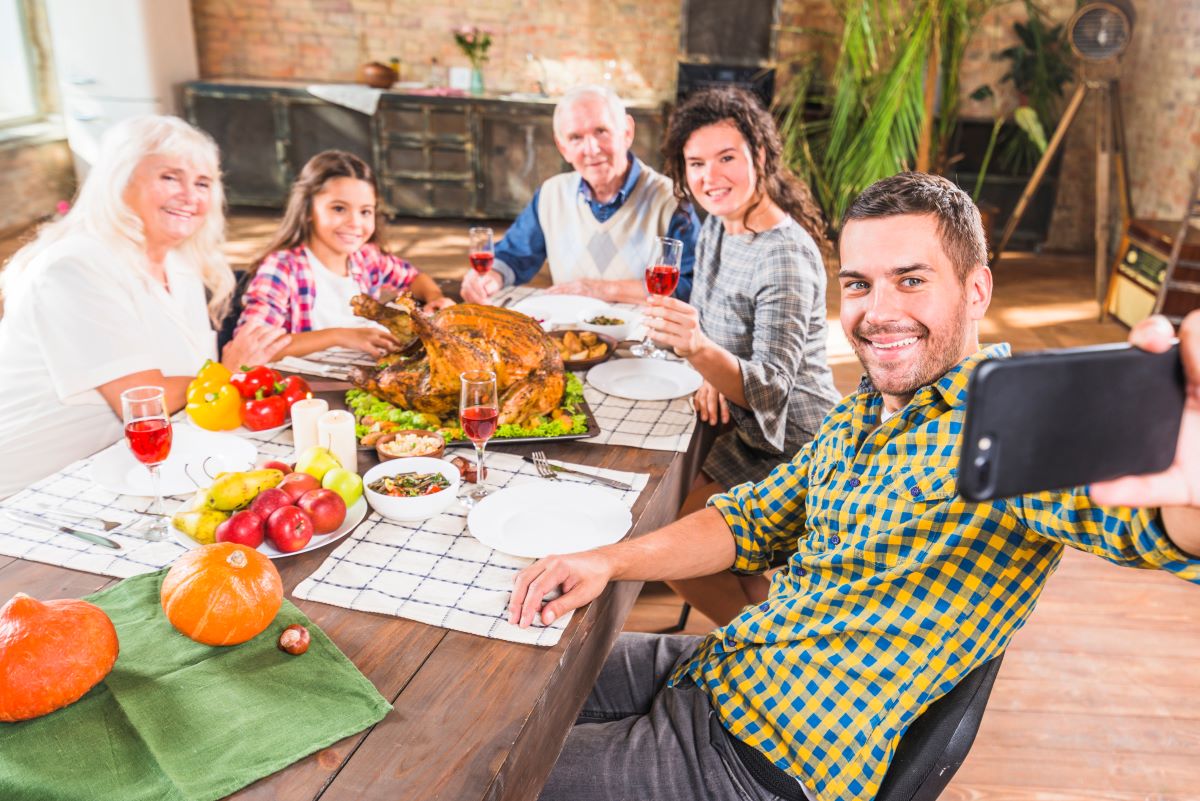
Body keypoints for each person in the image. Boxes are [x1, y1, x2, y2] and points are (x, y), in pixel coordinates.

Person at [507, 173, 1200, 801]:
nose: (878, 310)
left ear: (977, 288)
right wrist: (606, 560)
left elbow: (1164, 529)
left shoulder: (1022, 434)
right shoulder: (865, 407)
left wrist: (1191, 487)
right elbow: (749, 519)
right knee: (515, 673)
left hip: (757, 761)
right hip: (723, 667)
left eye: (912, 279)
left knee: (490, 775)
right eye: (862, 284)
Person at [0, 115, 287, 499]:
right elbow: (141, 402)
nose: (190, 196)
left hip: (125, 471)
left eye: (203, 183)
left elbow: (191, 385)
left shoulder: (179, 263)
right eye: (170, 177)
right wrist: (227, 372)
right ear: (119, 182)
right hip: (34, 491)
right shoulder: (75, 266)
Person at [642, 87, 842, 625]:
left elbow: (773, 387)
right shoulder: (716, 225)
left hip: (797, 443)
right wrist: (709, 365)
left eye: (727, 158)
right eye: (697, 163)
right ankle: (777, 633)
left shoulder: (785, 255)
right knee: (690, 525)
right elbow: (714, 325)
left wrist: (699, 351)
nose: (712, 177)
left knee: (678, 554)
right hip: (747, 429)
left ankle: (768, 657)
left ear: (760, 155)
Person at [459, 85, 700, 305]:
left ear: (627, 132)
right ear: (563, 147)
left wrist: (601, 289)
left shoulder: (671, 201)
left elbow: (692, 287)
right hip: (570, 341)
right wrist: (491, 277)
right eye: (576, 138)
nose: (591, 149)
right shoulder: (551, 195)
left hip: (640, 341)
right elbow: (513, 256)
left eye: (601, 131)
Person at [236, 150, 453, 358]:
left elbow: (413, 277)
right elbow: (250, 349)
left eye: (365, 211)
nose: (355, 223)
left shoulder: (366, 257)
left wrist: (435, 297)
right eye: (339, 208)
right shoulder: (282, 268)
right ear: (308, 210)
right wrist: (339, 336)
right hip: (308, 389)